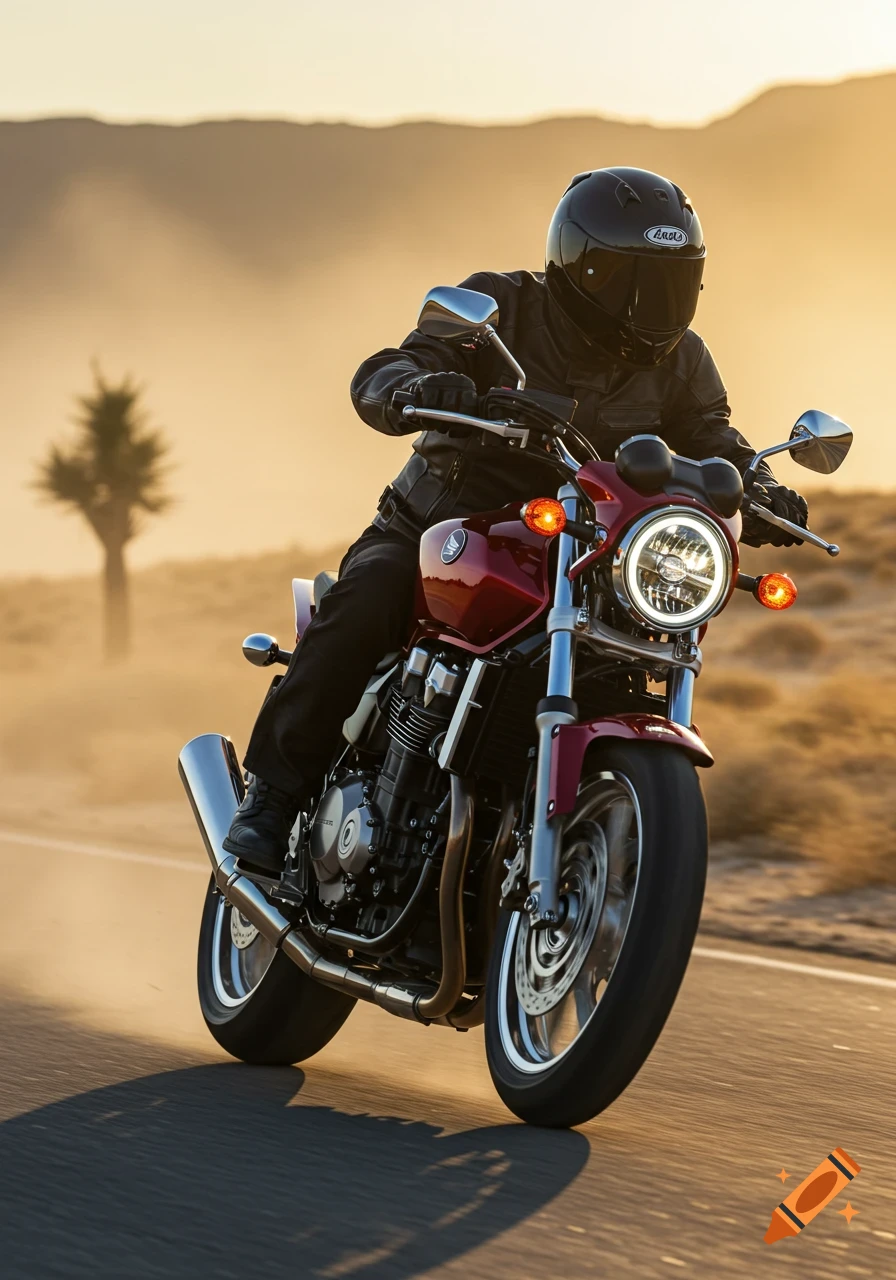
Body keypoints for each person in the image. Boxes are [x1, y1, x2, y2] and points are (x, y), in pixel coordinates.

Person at [223, 165, 808, 874]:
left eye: (667, 282)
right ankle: (273, 801)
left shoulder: (684, 360)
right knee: (369, 595)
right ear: (577, 266)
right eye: (626, 279)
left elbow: (714, 435)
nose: (644, 303)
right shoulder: (501, 309)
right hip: (440, 532)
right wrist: (418, 384)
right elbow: (393, 365)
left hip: (587, 559)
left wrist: (761, 485)